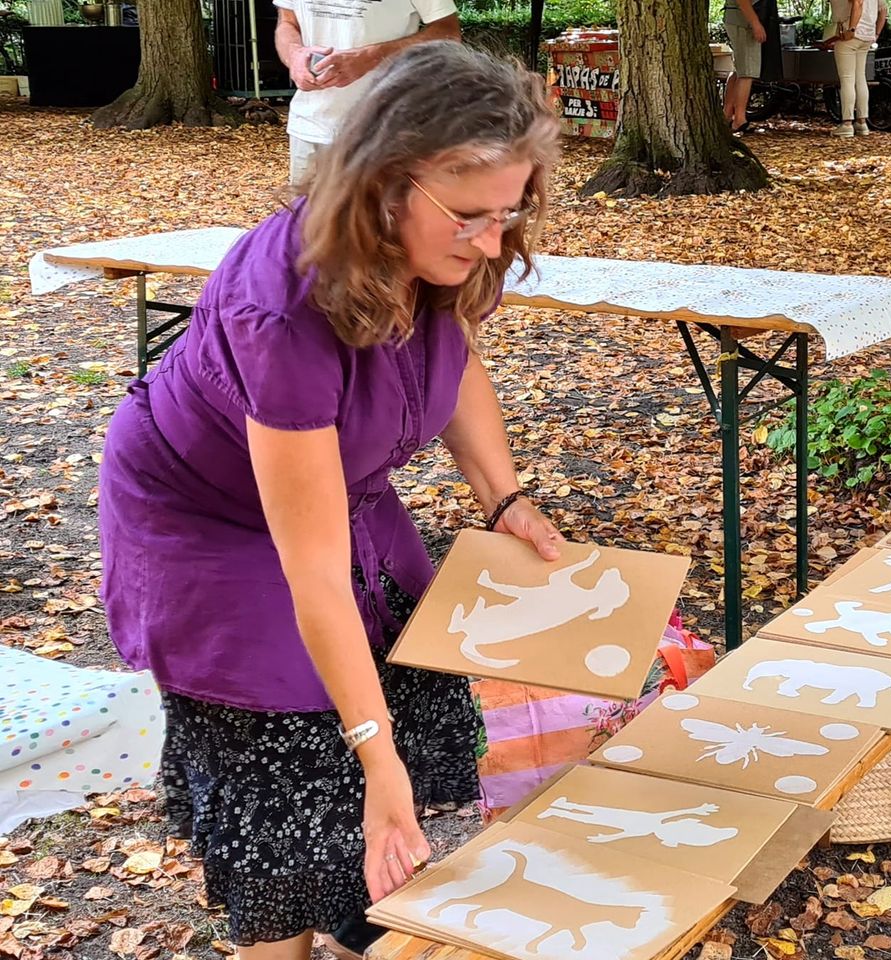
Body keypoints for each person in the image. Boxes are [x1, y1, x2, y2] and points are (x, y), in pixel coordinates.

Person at [97, 43, 561, 960]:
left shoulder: (443, 246)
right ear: (385, 184)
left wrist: (504, 497)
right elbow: (309, 572)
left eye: (509, 213)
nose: (494, 242)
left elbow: (454, 358)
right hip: (210, 524)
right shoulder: (284, 310)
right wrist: (370, 756)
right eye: (469, 215)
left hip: (341, 493)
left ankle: (365, 911)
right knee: (295, 779)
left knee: (407, 688)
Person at [274, 0, 462, 184]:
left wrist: (372, 56)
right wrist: (294, 55)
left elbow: (447, 32)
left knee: (375, 215)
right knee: (304, 215)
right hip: (309, 125)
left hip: (384, 130)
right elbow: (287, 22)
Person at [825, 0, 885, 137]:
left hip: (849, 34)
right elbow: (883, 11)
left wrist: (851, 29)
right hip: (867, 36)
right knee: (860, 77)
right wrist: (876, 34)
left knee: (847, 79)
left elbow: (858, 2)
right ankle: (862, 122)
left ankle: (847, 123)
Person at [722, 0, 767, 134]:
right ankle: (739, 119)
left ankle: (727, 115)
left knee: (739, 70)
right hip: (743, 22)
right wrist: (755, 23)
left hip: (737, 19)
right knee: (747, 72)